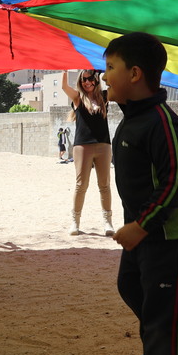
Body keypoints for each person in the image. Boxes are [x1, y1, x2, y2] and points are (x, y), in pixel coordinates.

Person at [103, 32, 178, 355]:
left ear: (134, 73)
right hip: (145, 232)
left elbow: (175, 182)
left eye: (110, 67)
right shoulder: (133, 120)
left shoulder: (162, 122)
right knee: (131, 286)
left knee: (166, 307)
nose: (104, 75)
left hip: (170, 234)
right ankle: (159, 347)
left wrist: (141, 225)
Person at [60, 69, 115, 236]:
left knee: (104, 184)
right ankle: (75, 222)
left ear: (96, 80)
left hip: (103, 145)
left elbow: (118, 86)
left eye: (90, 78)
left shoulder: (104, 96)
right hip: (82, 146)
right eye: (84, 79)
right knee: (81, 185)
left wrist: (108, 70)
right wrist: (65, 68)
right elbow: (63, 87)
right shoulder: (77, 98)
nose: (87, 82)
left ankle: (108, 222)